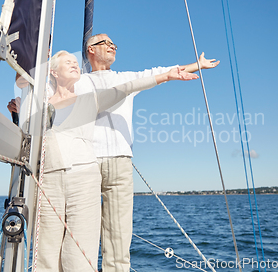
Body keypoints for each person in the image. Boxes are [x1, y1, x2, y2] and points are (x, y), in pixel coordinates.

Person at [35, 50, 199, 271]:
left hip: (84, 178)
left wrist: (168, 76)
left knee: (79, 255)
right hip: (49, 177)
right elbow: (28, 122)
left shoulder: (90, 98)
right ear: (53, 71)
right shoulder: (39, 100)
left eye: (76, 62)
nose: (75, 64)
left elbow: (128, 86)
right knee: (45, 252)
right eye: (68, 62)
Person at [75, 33, 219, 272]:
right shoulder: (78, 82)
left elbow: (164, 72)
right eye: (105, 43)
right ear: (90, 49)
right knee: (82, 229)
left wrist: (198, 65)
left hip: (120, 163)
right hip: (86, 161)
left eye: (114, 44)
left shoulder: (127, 78)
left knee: (118, 233)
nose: (112, 47)